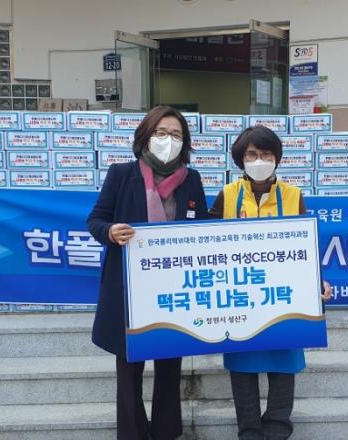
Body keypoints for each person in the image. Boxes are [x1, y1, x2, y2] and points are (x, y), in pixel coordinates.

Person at [86, 105, 209, 440]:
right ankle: (133, 433)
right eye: (161, 132)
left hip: (174, 290)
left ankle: (167, 432)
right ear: (146, 136)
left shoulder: (192, 180)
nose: (168, 140)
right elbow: (95, 220)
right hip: (129, 290)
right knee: (129, 369)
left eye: (176, 135)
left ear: (185, 143)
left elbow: (204, 228)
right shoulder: (121, 174)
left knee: (170, 367)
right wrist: (110, 231)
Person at [208, 125, 332, 440]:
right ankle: (249, 431)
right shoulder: (227, 195)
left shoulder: (293, 195)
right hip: (240, 294)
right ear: (241, 158)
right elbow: (206, 244)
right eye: (252, 154)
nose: (259, 160)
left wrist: (318, 281)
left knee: (284, 360)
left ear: (277, 158)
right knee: (242, 364)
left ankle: (277, 428)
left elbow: (305, 246)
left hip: (282, 296)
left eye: (266, 154)